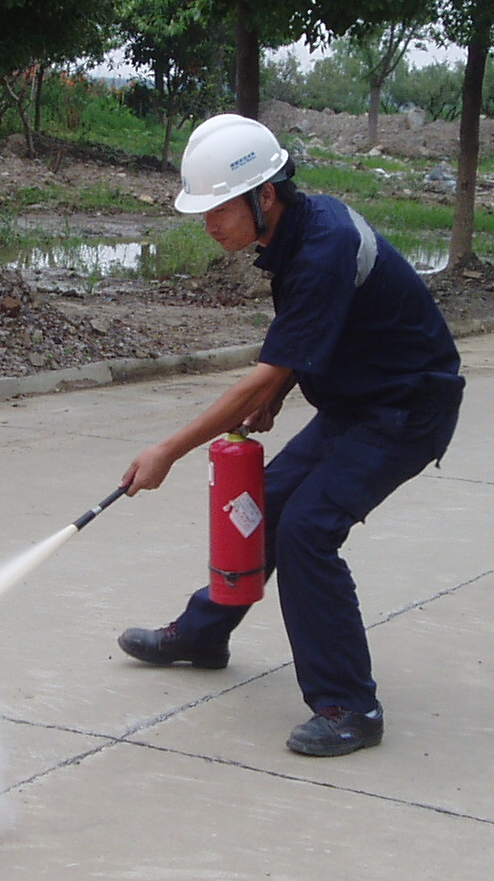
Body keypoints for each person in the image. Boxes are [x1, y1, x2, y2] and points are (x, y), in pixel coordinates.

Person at [116, 114, 464, 757]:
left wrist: (168, 449)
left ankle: (350, 707)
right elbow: (308, 347)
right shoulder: (296, 233)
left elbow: (266, 371)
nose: (210, 223)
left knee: (307, 530)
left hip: (407, 409)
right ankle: (202, 634)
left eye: (219, 208)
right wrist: (278, 393)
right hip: (356, 404)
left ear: (264, 195)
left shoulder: (322, 246)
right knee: (264, 506)